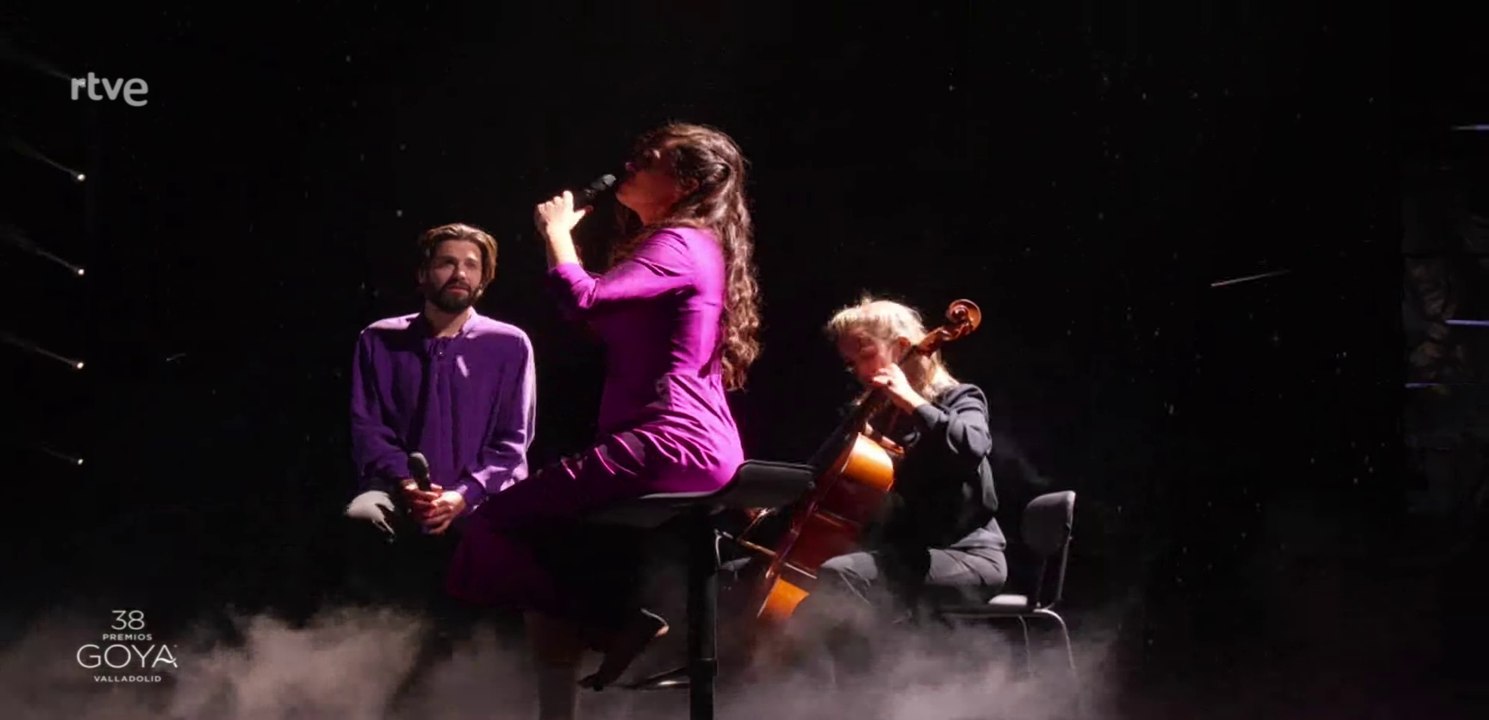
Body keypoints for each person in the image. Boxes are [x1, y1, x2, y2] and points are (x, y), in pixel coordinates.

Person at [443, 122, 762, 719]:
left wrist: (558, 234)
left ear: (686, 182)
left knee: (489, 525)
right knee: (541, 544)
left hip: (673, 442)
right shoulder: (689, 246)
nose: (631, 164)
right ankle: (601, 634)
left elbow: (581, 299)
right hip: (682, 441)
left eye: (651, 159)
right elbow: (596, 319)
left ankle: (613, 622)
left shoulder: (680, 243)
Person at [732, 297, 1021, 676]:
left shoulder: (959, 398)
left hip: (967, 556)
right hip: (903, 555)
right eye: (852, 363)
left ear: (902, 348)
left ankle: (866, 700)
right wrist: (766, 515)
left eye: (865, 355)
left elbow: (972, 446)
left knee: (843, 577)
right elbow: (819, 490)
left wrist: (913, 401)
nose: (859, 371)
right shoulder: (878, 421)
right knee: (738, 572)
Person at [342, 222, 537, 702]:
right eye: (448, 262)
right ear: (423, 273)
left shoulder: (509, 343)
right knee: (361, 517)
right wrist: (406, 484)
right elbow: (368, 428)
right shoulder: (379, 339)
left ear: (484, 280)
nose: (459, 273)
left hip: (480, 495)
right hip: (397, 487)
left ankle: (483, 685)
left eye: (471, 265)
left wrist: (462, 494)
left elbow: (514, 442)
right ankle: (370, 663)